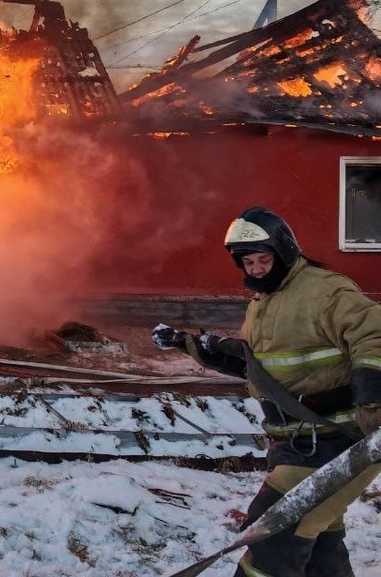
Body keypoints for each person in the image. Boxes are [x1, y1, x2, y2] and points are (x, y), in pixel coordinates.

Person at [152, 206, 381, 577]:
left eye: (263, 259)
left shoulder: (324, 290)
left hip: (336, 442)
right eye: (248, 263)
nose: (257, 269)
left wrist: (375, 402)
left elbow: (374, 334)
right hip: (297, 443)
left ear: (285, 250)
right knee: (320, 543)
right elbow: (258, 367)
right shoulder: (264, 304)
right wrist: (186, 344)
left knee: (270, 538)